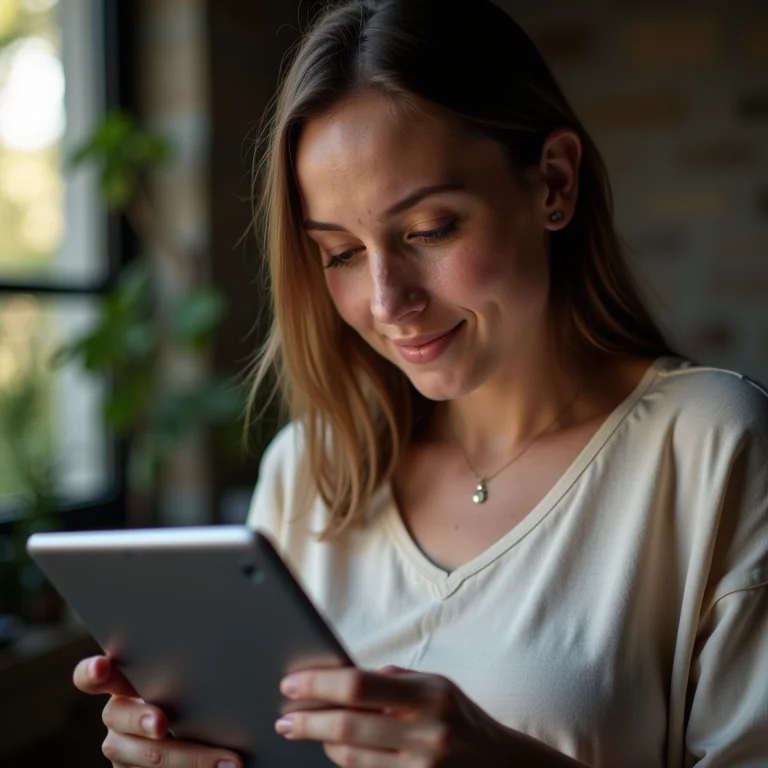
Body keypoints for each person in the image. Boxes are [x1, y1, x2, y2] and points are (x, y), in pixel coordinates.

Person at [73, 0, 768, 766]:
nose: (386, 302)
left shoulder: (713, 446)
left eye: (430, 230)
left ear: (554, 184)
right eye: (339, 252)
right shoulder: (309, 471)